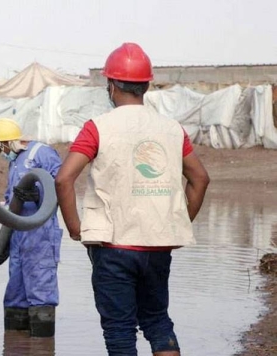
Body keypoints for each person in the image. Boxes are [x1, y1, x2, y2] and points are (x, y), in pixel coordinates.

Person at [55, 43, 210, 355]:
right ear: (146, 85)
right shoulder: (172, 129)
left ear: (111, 86)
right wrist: (175, 223)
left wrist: (75, 227)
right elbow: (200, 179)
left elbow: (63, 178)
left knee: (119, 332)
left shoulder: (97, 127)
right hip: (157, 246)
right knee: (157, 320)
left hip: (113, 247)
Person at [0, 118, 63, 338]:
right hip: (18, 236)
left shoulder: (42, 154)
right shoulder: (16, 162)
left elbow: (61, 186)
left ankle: (42, 346)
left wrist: (40, 194)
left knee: (41, 289)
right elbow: (11, 201)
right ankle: (15, 344)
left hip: (40, 234)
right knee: (16, 292)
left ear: (7, 142)